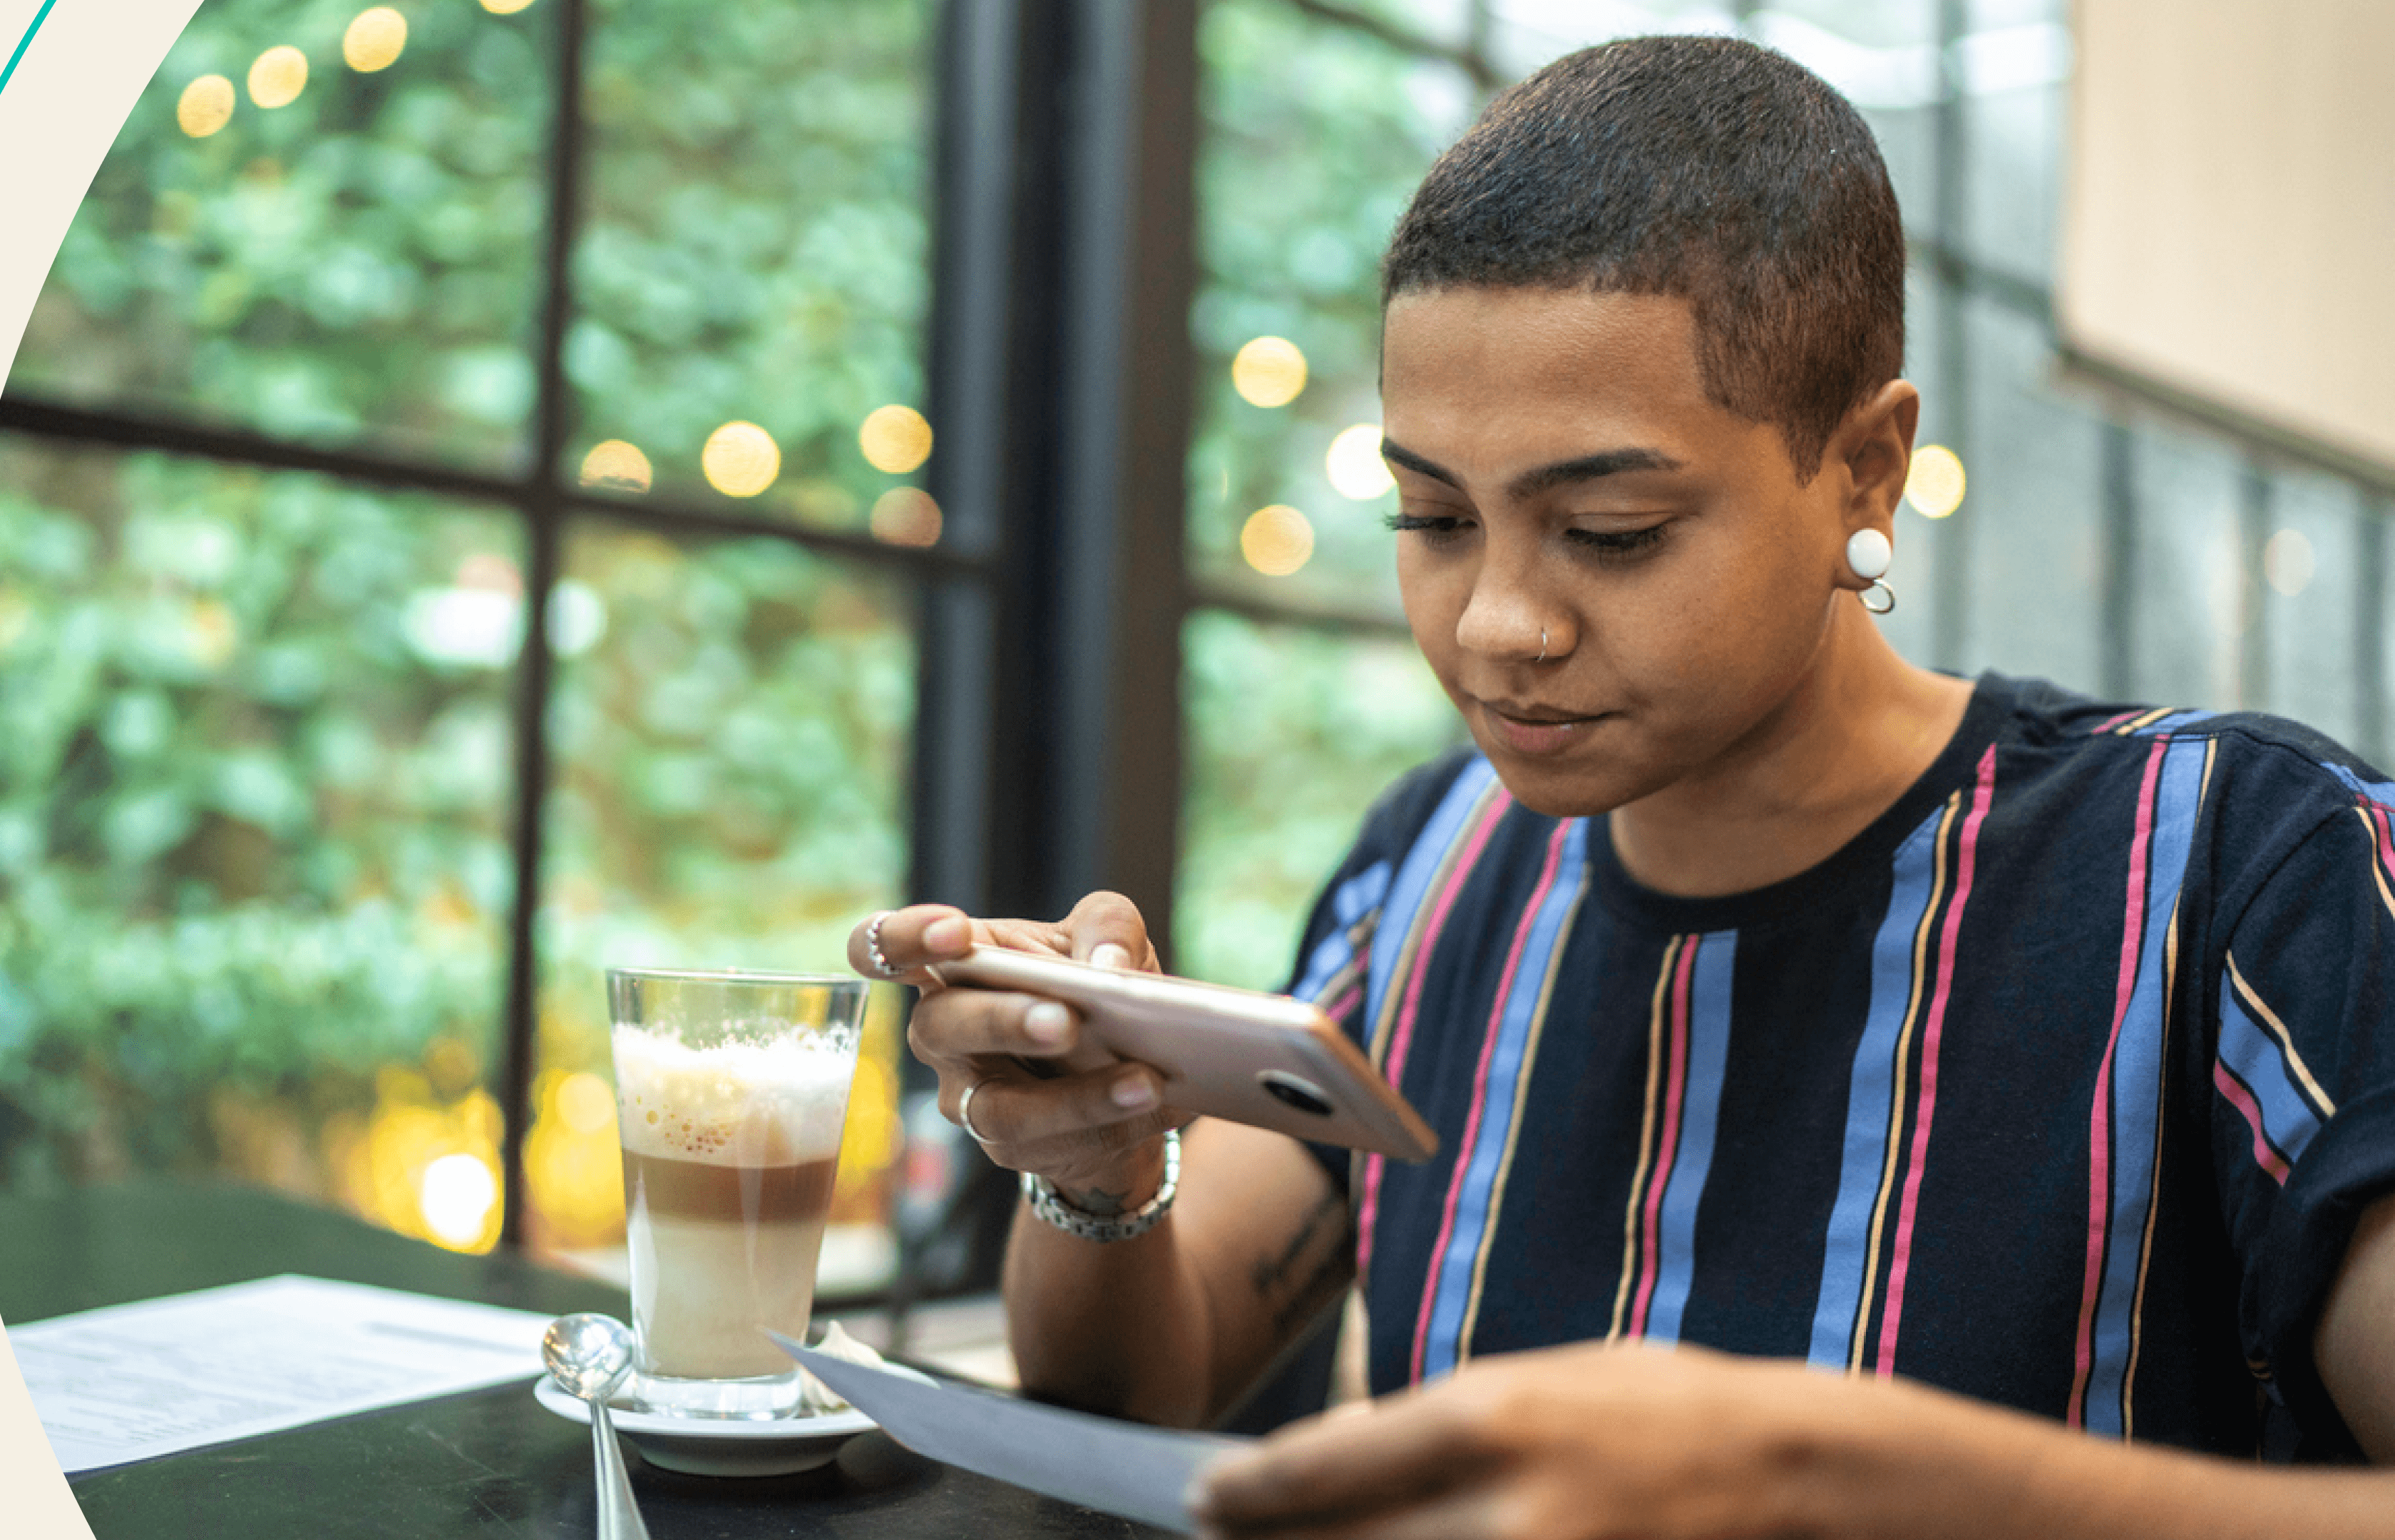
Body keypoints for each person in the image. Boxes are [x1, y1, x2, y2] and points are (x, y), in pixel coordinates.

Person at [849, 34, 2395, 1539]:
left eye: (1612, 531)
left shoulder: (2233, 868)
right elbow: (1146, 1385)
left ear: (1866, 472)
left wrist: (1828, 1486)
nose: (1499, 625)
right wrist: (1100, 1175)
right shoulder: (1435, 866)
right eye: (1432, 518)